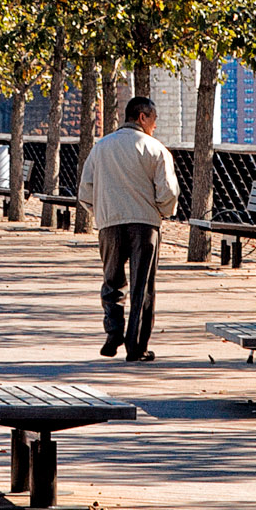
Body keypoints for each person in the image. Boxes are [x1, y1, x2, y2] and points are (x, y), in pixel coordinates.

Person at [77, 92, 183, 360]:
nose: (155, 126)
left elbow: (85, 191)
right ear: (142, 117)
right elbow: (168, 191)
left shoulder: (101, 147)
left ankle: (113, 332)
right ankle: (136, 347)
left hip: (109, 224)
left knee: (112, 282)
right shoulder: (156, 149)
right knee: (142, 287)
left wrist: (101, 214)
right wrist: (161, 213)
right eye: (154, 120)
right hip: (144, 224)